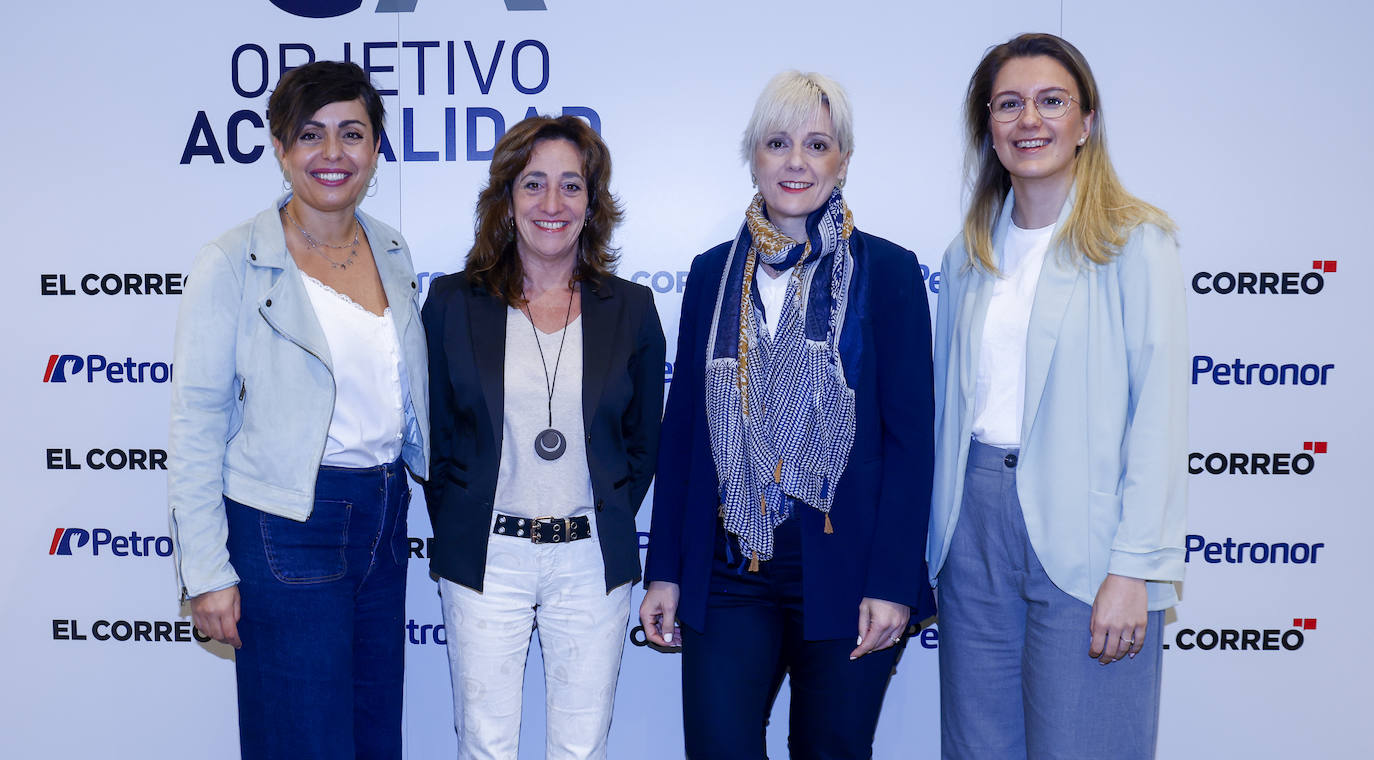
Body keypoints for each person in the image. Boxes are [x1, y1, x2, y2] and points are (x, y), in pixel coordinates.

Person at [640, 71, 936, 759]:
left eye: (817, 144)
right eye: (778, 143)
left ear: (844, 160)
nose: (796, 162)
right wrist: (666, 571)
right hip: (730, 566)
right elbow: (684, 433)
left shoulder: (887, 272)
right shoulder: (713, 273)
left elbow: (911, 443)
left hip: (848, 568)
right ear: (754, 156)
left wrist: (893, 583)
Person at [927, 32, 1188, 759]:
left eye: (1051, 102)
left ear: (1087, 122)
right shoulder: (967, 254)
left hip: (1090, 539)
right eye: (1008, 104)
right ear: (988, 126)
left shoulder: (1136, 242)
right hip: (972, 532)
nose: (1029, 121)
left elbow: (1157, 418)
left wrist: (1134, 568)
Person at [167, 61, 428, 758]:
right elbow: (196, 422)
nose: (333, 154)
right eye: (310, 135)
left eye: (352, 133)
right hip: (287, 524)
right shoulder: (231, 260)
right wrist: (208, 572)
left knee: (375, 735)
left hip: (384, 513)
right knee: (302, 741)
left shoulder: (392, 248)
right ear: (280, 148)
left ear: (376, 149)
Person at [422, 114, 665, 760]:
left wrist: (603, 509)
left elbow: (642, 447)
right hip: (486, 556)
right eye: (533, 185)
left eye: (570, 185)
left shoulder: (632, 309)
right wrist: (464, 518)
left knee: (581, 749)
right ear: (506, 199)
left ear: (593, 202)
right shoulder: (451, 304)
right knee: (485, 745)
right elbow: (438, 444)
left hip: (590, 561)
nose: (552, 205)